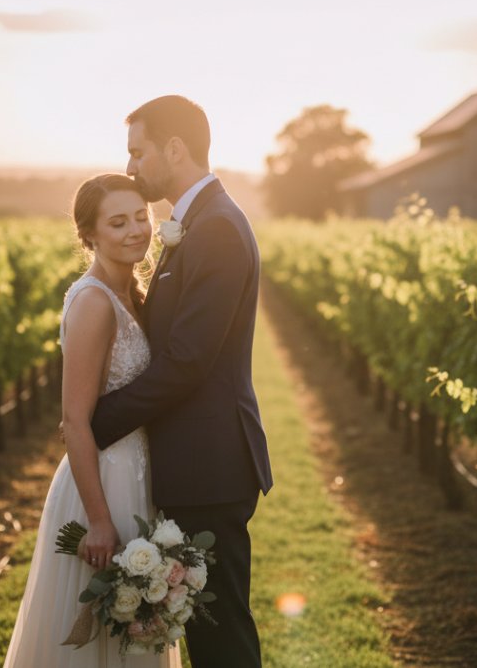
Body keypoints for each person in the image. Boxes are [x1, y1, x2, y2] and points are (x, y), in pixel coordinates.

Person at [89, 95, 274, 667]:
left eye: (137, 152)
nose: (130, 167)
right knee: (206, 629)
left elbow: (189, 360)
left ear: (174, 148)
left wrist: (101, 420)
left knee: (221, 635)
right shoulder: (196, 222)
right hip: (197, 461)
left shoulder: (216, 227)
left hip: (210, 466)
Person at [4, 173, 181, 667]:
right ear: (89, 236)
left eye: (141, 217)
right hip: (103, 486)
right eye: (118, 222)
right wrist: (100, 521)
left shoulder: (133, 295)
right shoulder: (94, 303)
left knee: (134, 636)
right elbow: (75, 421)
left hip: (138, 476)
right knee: (101, 640)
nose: (136, 231)